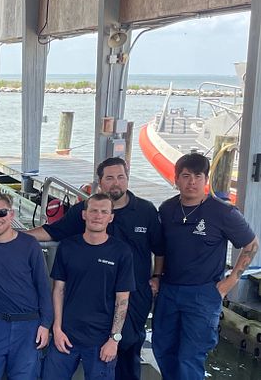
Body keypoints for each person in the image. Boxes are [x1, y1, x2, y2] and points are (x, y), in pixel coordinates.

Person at [27, 157, 162, 380]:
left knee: (128, 352)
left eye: (120, 177)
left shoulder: (146, 211)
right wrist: (15, 237)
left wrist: (157, 276)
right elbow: (54, 231)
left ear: (127, 179)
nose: (116, 182)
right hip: (92, 300)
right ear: (100, 182)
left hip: (133, 295)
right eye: (109, 178)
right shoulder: (85, 209)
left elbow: (160, 248)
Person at [151, 153, 258, 380]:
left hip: (203, 294)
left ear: (206, 179)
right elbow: (160, 246)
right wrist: (157, 275)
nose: (192, 182)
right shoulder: (167, 209)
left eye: (198, 176)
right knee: (163, 348)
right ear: (176, 179)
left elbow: (251, 244)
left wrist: (229, 282)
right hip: (169, 290)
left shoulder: (223, 212)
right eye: (186, 176)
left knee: (190, 357)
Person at [42, 193, 135, 380]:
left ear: (111, 217)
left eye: (103, 212)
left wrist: (113, 339)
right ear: (84, 214)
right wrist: (57, 330)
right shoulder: (67, 247)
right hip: (66, 335)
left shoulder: (121, 252)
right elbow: (58, 290)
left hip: (101, 340)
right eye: (93, 211)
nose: (98, 216)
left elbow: (122, 300)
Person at [0, 191, 53, 380]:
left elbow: (43, 286)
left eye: (1, 213)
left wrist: (45, 324)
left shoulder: (30, 244)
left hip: (28, 325)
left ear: (12, 214)